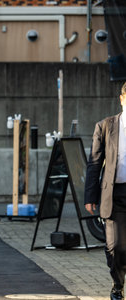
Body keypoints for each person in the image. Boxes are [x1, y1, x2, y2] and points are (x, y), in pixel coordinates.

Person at [85, 82, 126, 300]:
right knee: (115, 246)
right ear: (122, 99)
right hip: (115, 194)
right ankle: (118, 285)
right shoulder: (105, 126)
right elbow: (94, 163)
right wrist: (90, 195)